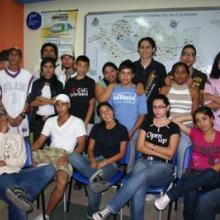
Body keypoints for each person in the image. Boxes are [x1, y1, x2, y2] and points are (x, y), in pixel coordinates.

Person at [93, 94, 180, 220]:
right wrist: (160, 150)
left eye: (161, 107)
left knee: (141, 176)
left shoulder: (173, 127)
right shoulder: (147, 123)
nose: (157, 110)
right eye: (154, 107)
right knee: (139, 188)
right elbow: (139, 147)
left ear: (167, 107)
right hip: (143, 161)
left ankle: (109, 209)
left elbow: (170, 153)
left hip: (163, 166)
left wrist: (151, 146)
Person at [155, 106, 220, 220]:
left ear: (212, 119)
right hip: (193, 174)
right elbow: (173, 121)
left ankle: (170, 195)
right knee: (191, 191)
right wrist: (192, 115)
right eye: (198, 121)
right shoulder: (194, 132)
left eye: (204, 119)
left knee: (209, 173)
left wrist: (205, 176)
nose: (201, 123)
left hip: (213, 177)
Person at [69, 102, 129, 218]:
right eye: (102, 112)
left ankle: (91, 213)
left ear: (113, 111)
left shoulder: (122, 129)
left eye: (108, 110)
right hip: (93, 161)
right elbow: (90, 148)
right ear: (100, 116)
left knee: (93, 183)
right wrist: (92, 160)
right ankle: (99, 179)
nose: (106, 113)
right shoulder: (97, 128)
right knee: (72, 156)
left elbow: (121, 154)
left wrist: (105, 162)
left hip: (111, 164)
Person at [32, 94, 86, 220]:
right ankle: (26, 195)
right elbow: (40, 142)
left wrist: (68, 157)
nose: (60, 107)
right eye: (57, 104)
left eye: (63, 104)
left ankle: (46, 214)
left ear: (69, 105)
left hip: (66, 154)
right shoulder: (50, 121)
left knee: (62, 182)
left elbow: (82, 146)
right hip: (49, 152)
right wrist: (26, 152)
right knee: (24, 161)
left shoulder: (77, 121)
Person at [0, 112, 56, 220]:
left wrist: (6, 162)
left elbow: (22, 161)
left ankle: (23, 195)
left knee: (49, 169)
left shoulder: (17, 137)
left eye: (5, 120)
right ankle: (21, 196)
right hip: (2, 176)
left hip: (18, 173)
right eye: (1, 120)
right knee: (19, 204)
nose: (4, 123)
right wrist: (1, 134)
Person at [160, 62, 200, 177]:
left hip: (185, 130)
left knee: (184, 145)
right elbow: (158, 111)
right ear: (172, 74)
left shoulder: (193, 91)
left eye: (183, 72)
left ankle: (180, 177)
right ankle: (165, 175)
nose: (180, 75)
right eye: (177, 72)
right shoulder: (165, 89)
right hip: (167, 128)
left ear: (188, 75)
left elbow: (195, 115)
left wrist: (178, 120)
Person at [108, 59, 147, 173]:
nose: (125, 76)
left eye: (129, 73)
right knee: (111, 161)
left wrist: (132, 132)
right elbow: (109, 112)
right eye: (123, 73)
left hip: (132, 134)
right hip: (115, 132)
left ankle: (127, 179)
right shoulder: (113, 90)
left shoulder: (139, 92)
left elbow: (142, 115)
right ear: (118, 74)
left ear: (133, 75)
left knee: (129, 163)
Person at [0, 47, 34, 140]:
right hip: (5, 119)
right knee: (5, 148)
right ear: (8, 57)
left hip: (22, 119)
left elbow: (29, 97)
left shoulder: (28, 75)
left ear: (20, 59)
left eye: (16, 55)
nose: (14, 57)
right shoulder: (1, 75)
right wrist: (6, 116)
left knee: (24, 147)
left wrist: (21, 115)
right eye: (11, 54)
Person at [28, 57, 63, 141]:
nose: (48, 69)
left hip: (54, 119)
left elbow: (59, 102)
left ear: (54, 68)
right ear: (42, 68)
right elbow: (32, 103)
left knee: (53, 147)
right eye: (45, 66)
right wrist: (50, 101)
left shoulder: (58, 84)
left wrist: (40, 98)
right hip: (38, 120)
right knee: (37, 147)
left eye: (50, 66)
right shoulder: (36, 83)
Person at [133, 37, 167, 113]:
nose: (144, 50)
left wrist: (157, 104)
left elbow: (163, 88)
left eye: (148, 47)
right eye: (142, 47)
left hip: (152, 110)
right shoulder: (132, 67)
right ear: (138, 49)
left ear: (153, 49)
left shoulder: (160, 67)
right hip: (133, 108)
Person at [64, 55, 96, 133]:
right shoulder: (69, 82)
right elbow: (66, 102)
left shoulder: (91, 82)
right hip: (71, 120)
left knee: (85, 144)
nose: (82, 68)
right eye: (80, 65)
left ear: (88, 68)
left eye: (85, 66)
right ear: (75, 65)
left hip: (87, 121)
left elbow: (92, 104)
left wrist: (85, 123)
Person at [204, 52, 220, 131]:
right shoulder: (210, 81)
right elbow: (207, 104)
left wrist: (211, 96)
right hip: (215, 126)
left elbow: (208, 97)